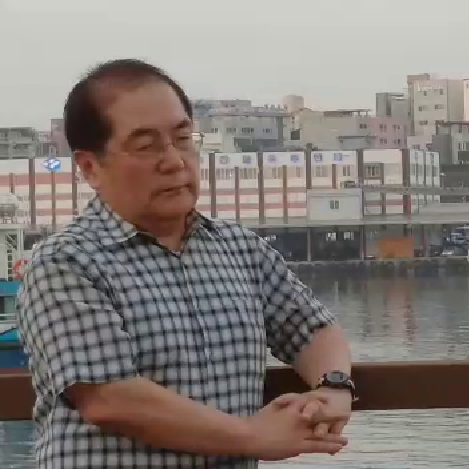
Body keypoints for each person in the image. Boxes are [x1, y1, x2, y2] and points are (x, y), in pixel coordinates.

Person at [16, 59, 355, 468]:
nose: (174, 161)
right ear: (91, 167)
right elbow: (109, 398)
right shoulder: (65, 263)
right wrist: (254, 436)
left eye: (182, 138)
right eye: (146, 146)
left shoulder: (240, 249)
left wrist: (334, 388)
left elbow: (313, 329)